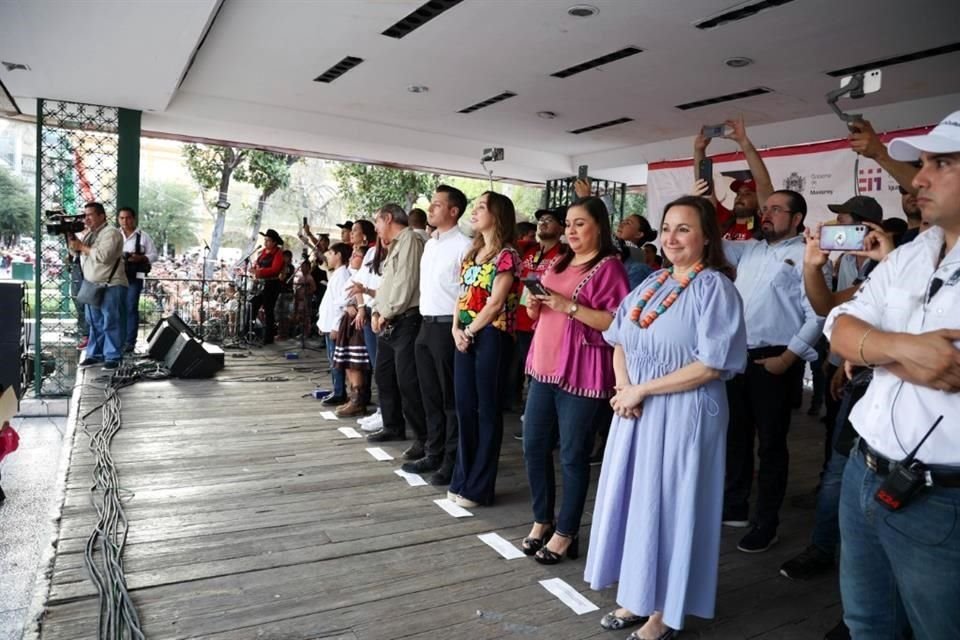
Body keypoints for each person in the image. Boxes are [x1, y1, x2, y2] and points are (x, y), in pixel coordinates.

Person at [824, 111, 960, 640]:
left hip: (941, 496)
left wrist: (873, 351)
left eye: (941, 163)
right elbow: (838, 325)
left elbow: (948, 368)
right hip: (865, 469)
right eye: (920, 163)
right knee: (867, 625)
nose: (918, 178)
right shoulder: (913, 254)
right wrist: (902, 349)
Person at [586, 195, 746, 640]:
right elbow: (619, 337)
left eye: (684, 229)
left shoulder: (715, 288)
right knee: (639, 501)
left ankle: (665, 609)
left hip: (685, 412)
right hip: (637, 408)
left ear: (706, 237)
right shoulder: (653, 282)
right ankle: (638, 592)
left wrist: (642, 389)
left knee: (674, 505)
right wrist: (624, 388)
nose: (672, 237)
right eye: (668, 227)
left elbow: (711, 364)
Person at [521, 196, 629, 561]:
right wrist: (533, 303)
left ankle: (566, 531)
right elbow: (536, 310)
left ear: (599, 226)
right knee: (534, 446)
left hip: (582, 373)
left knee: (572, 455)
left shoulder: (609, 268)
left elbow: (618, 323)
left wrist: (569, 306)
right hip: (544, 367)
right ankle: (542, 520)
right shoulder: (558, 261)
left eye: (579, 223)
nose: (570, 230)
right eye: (568, 223)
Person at [719, 189, 825, 553]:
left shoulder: (806, 256)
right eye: (765, 209)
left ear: (797, 219)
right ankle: (735, 506)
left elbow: (819, 314)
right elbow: (708, 239)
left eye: (777, 209)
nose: (767, 214)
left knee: (772, 445)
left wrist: (789, 357)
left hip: (776, 360)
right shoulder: (749, 249)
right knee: (735, 436)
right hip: (737, 358)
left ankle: (767, 521)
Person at [449, 191, 522, 508]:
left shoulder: (507, 256)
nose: (475, 211)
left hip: (492, 335)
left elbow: (495, 304)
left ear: (498, 215)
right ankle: (461, 478)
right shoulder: (471, 252)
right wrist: (455, 329)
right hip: (464, 334)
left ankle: (479, 487)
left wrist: (468, 330)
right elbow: (462, 295)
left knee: (486, 411)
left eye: (482, 207)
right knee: (465, 407)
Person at [403, 185, 471, 485]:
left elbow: (465, 293)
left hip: (448, 327)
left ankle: (451, 460)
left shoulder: (465, 245)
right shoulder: (431, 244)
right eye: (431, 205)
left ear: (453, 211)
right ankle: (433, 451)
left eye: (437, 205)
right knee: (428, 394)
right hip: (425, 323)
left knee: (449, 399)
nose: (430, 209)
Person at [366, 204, 427, 462]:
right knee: (384, 375)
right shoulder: (395, 245)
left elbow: (405, 282)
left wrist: (386, 312)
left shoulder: (411, 239)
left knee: (408, 382)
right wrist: (375, 311)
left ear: (388, 218)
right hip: (390, 320)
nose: (376, 228)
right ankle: (393, 426)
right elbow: (386, 285)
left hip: (405, 319)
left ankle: (424, 438)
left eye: (377, 222)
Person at [508, 206, 567, 418]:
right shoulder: (527, 248)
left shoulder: (565, 255)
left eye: (549, 220)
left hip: (546, 323)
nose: (542, 223)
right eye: (540, 219)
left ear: (562, 227)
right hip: (520, 321)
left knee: (540, 374)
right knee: (520, 369)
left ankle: (536, 418)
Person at [68, 202, 128, 369]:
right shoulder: (90, 234)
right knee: (94, 322)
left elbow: (103, 256)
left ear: (102, 216)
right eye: (85, 215)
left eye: (90, 215)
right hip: (93, 285)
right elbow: (77, 253)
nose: (86, 219)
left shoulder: (111, 233)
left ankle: (113, 356)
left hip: (111, 285)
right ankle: (95, 354)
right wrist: (72, 240)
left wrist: (81, 246)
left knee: (110, 321)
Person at [694, 116, 773, 240]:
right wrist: (699, 150)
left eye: (747, 193)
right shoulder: (724, 219)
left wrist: (743, 142)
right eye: (738, 194)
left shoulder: (766, 222)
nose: (740, 197)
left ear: (759, 200)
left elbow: (764, 184)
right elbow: (704, 188)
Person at [315, 243, 352, 406]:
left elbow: (342, 304)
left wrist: (336, 326)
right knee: (332, 359)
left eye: (330, 253)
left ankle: (339, 391)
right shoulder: (337, 274)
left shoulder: (343, 275)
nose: (327, 256)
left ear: (338, 255)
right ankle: (337, 389)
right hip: (328, 324)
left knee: (336, 360)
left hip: (334, 325)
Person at [118, 207, 158, 352]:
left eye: (128, 218)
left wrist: (141, 257)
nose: (125, 221)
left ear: (133, 218)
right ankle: (118, 340)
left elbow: (154, 255)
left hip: (135, 276)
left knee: (130, 307)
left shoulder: (143, 236)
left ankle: (129, 342)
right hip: (117, 276)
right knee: (116, 308)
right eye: (121, 218)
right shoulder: (115, 235)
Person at [247, 229, 285, 344]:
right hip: (260, 284)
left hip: (271, 284)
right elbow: (257, 263)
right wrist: (255, 268)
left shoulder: (278, 253)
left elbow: (275, 269)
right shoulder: (263, 252)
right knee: (253, 306)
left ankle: (268, 337)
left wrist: (259, 271)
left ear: (274, 242)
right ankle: (248, 332)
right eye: (265, 240)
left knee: (268, 310)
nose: (265, 242)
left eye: (268, 240)